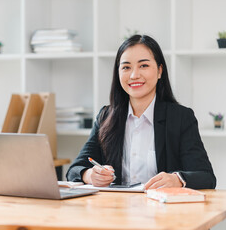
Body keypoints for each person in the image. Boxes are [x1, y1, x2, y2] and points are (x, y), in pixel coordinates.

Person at [66, 35, 216, 190]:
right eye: (126, 67)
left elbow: (206, 176)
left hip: (164, 211)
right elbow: (75, 170)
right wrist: (90, 175)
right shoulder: (106, 116)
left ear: (159, 71)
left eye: (143, 66)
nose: (134, 75)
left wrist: (177, 179)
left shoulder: (180, 118)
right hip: (115, 210)